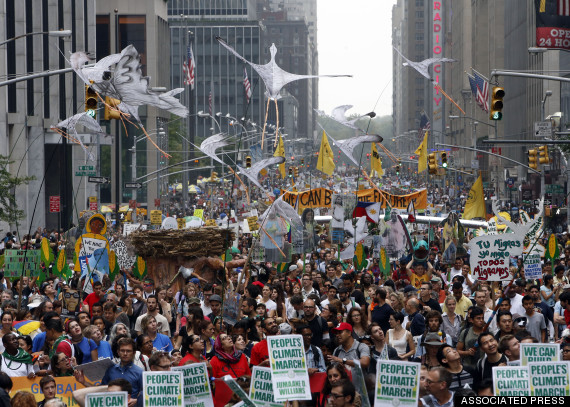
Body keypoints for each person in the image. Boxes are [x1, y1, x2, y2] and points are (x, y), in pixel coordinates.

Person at [101, 337, 143, 405]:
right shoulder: (110, 370)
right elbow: (101, 389)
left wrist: (136, 400)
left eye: (128, 351)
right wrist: (84, 382)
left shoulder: (139, 372)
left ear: (134, 353)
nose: (125, 353)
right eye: (122, 350)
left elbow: (145, 393)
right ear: (118, 352)